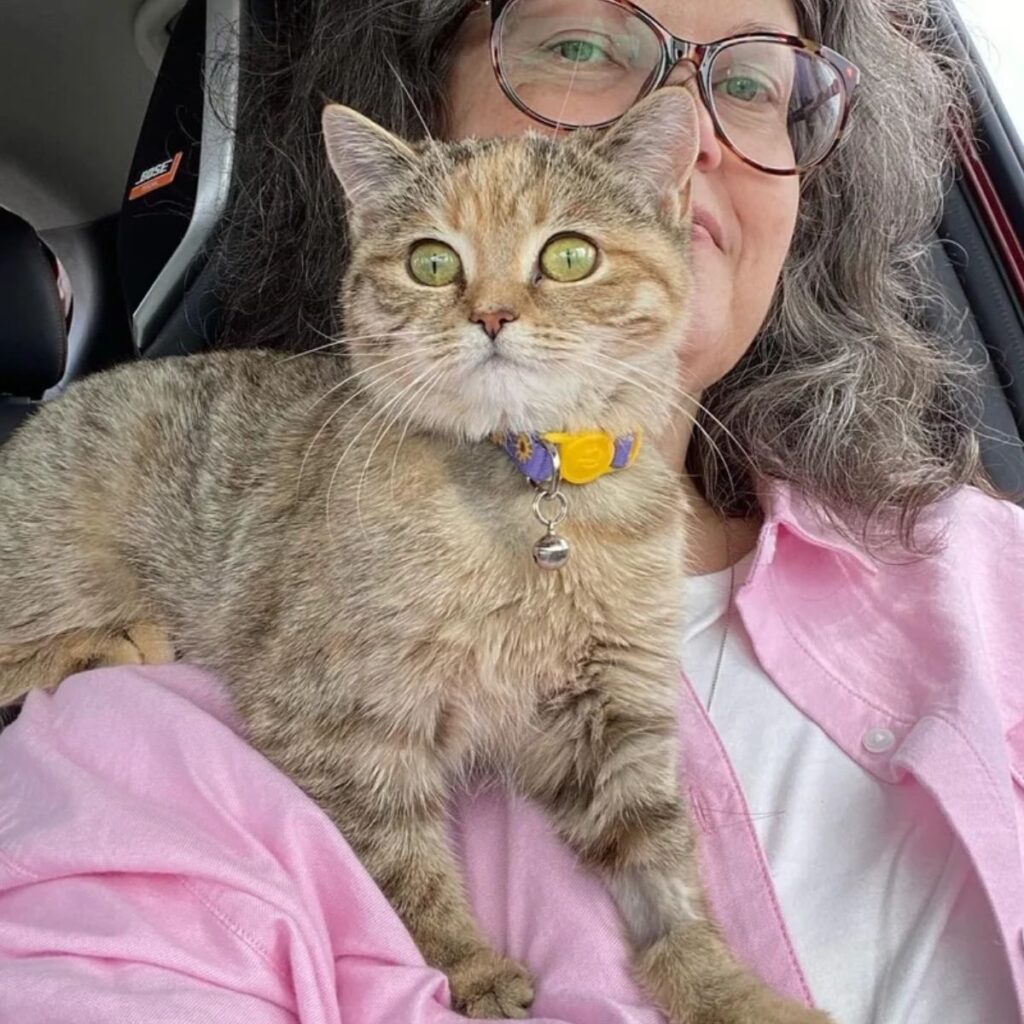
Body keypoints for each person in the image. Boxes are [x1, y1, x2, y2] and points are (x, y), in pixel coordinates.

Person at [0, 1, 1021, 1022]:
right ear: (427, 100)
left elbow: (617, 782)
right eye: (577, 45)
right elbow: (301, 762)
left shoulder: (986, 568)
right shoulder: (127, 741)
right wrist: (450, 952)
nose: (692, 122)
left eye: (751, 83)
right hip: (106, 517)